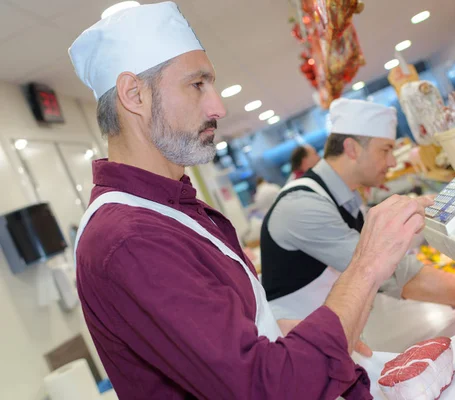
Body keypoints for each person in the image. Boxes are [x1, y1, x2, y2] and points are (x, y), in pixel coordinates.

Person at [70, 3, 430, 399]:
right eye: (197, 84)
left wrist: (282, 335)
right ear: (133, 94)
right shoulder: (129, 239)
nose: (218, 107)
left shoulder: (170, 209)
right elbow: (269, 389)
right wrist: (367, 265)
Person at [261, 98, 455, 323]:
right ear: (352, 149)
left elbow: (391, 250)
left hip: (332, 323)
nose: (393, 162)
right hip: (300, 338)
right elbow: (392, 273)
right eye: (386, 150)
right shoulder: (302, 207)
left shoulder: (342, 195)